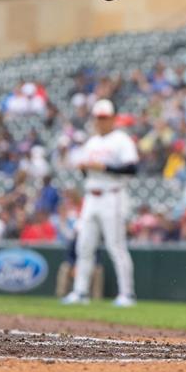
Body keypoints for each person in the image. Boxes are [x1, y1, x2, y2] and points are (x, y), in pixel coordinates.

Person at [62, 99, 139, 307]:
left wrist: (104, 167)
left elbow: (132, 169)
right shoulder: (92, 142)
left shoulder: (121, 139)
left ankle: (127, 294)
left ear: (113, 118)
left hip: (112, 196)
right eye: (98, 117)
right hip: (91, 197)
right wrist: (84, 166)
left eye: (104, 117)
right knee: (84, 246)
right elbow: (87, 171)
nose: (101, 121)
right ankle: (80, 292)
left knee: (116, 246)